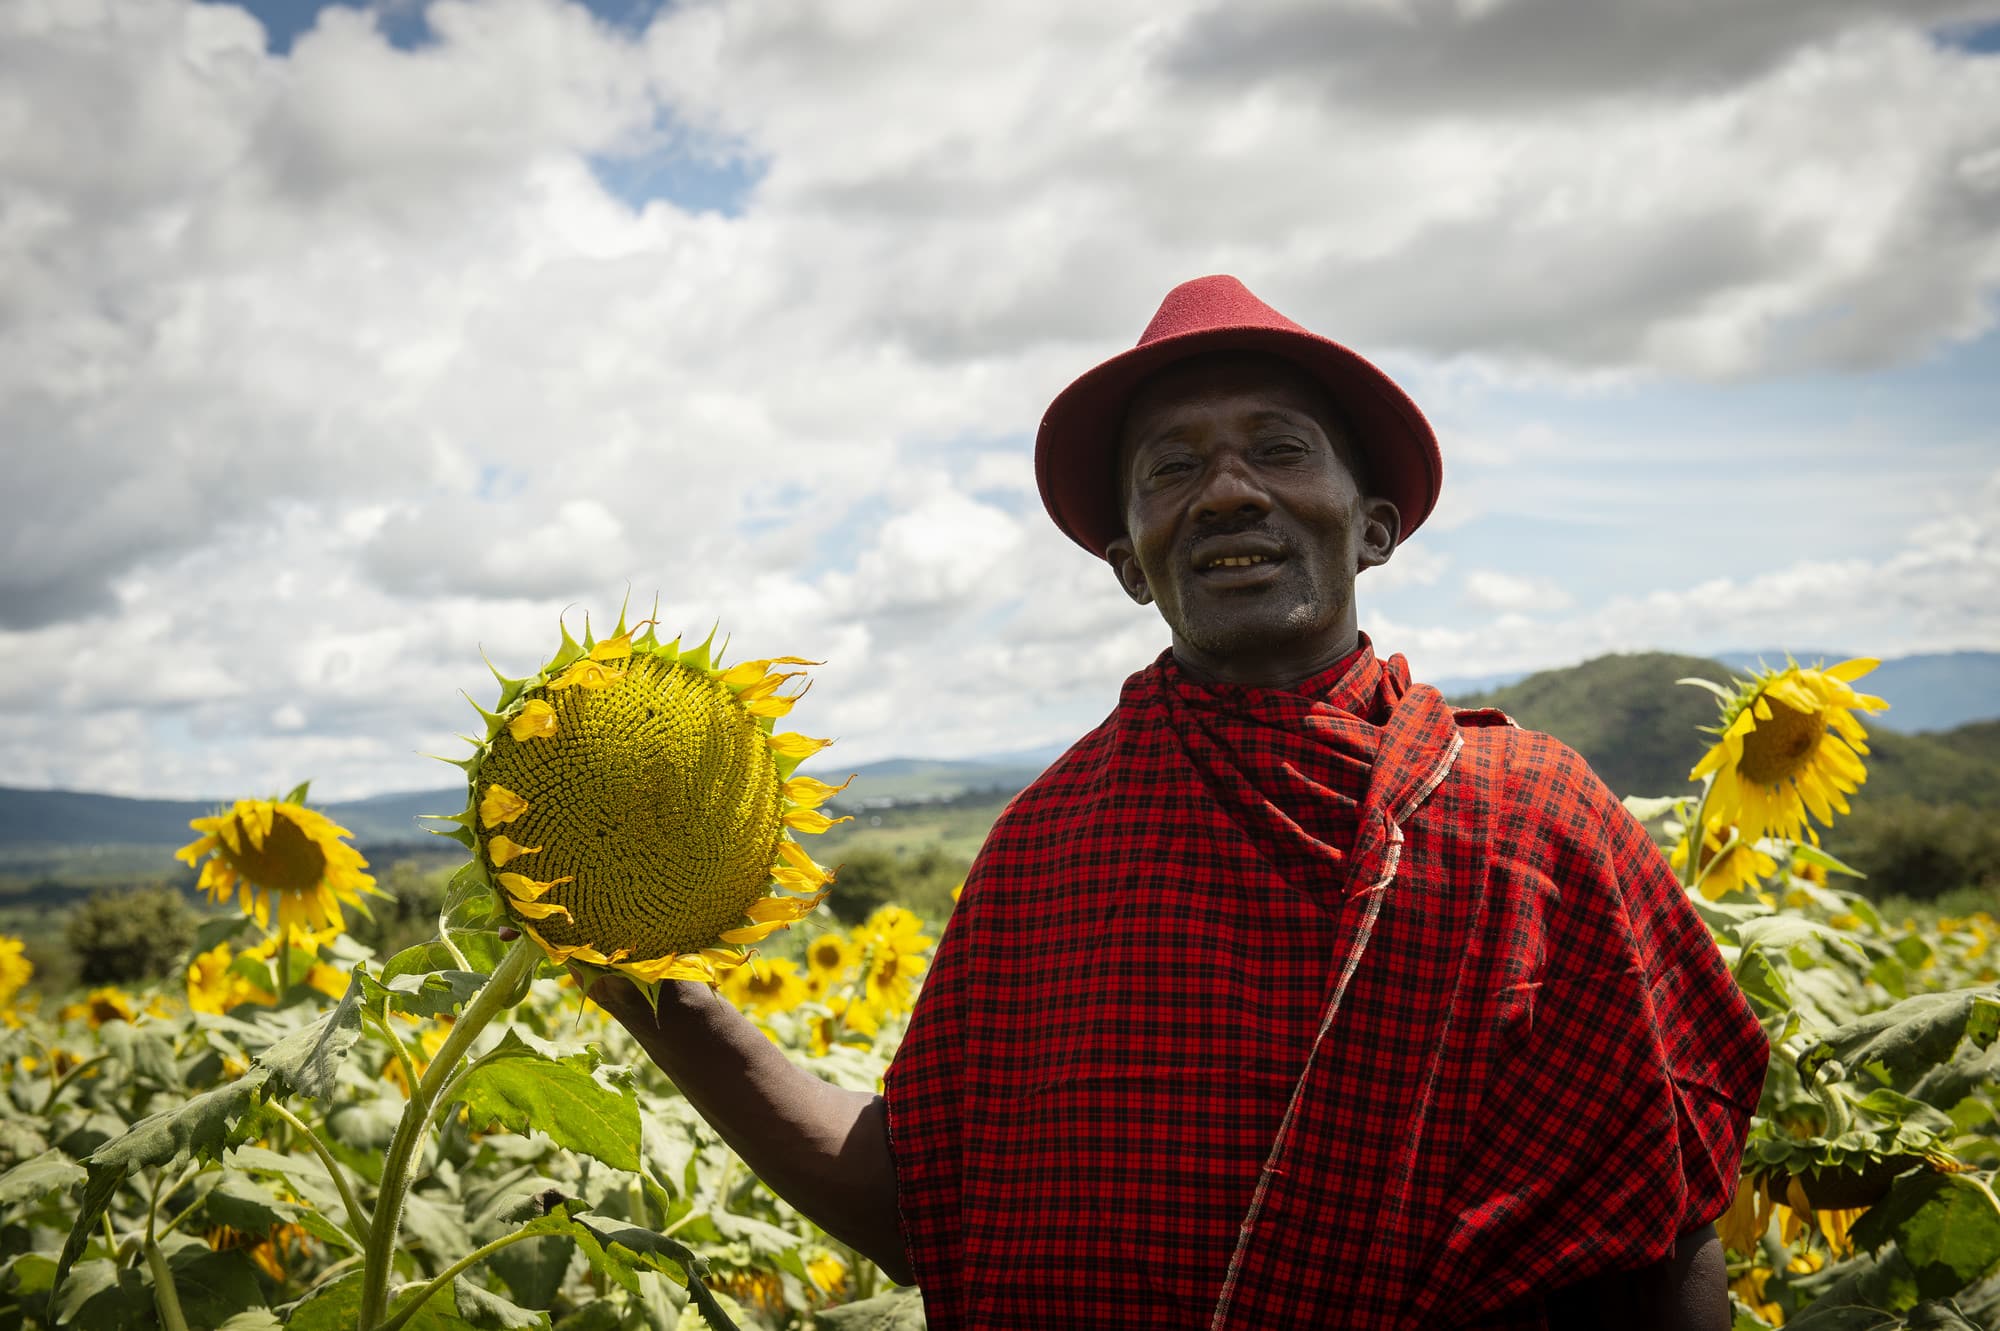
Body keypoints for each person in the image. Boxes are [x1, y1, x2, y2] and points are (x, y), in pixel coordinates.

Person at [593, 275, 1769, 1329]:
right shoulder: (1045, 844)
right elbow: (925, 1201)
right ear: (1127, 558)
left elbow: (1660, 1227)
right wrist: (665, 1000)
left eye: (1278, 448)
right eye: (1170, 468)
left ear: (1374, 529)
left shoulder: (1532, 816)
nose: (1224, 491)